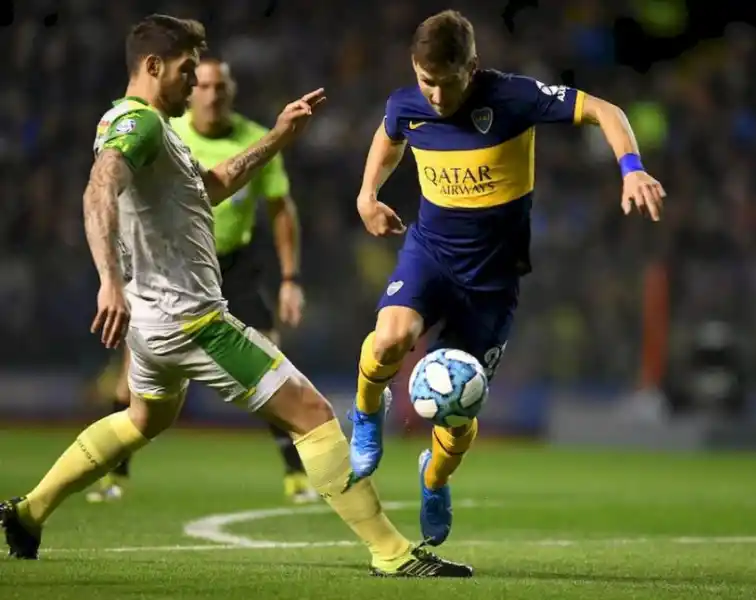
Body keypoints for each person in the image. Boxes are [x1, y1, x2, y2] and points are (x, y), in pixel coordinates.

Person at [1, 14, 472, 578]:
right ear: (152, 67)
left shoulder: (142, 125)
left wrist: (276, 137)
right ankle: (392, 553)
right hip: (194, 321)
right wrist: (106, 277)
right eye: (186, 69)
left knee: (141, 420)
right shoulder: (141, 127)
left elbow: (210, 187)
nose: (194, 81)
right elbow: (100, 185)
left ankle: (28, 512)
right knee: (313, 414)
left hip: (151, 324)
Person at [348, 9, 666, 547]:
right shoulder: (407, 104)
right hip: (431, 253)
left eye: (447, 84)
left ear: (471, 67)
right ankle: (365, 411)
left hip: (492, 280)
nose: (437, 97)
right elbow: (390, 136)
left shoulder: (514, 98)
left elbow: (605, 110)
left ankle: (432, 479)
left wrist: (631, 167)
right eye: (427, 82)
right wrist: (367, 196)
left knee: (456, 418)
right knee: (391, 338)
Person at [86, 56, 316, 505]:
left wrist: (291, 277)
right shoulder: (168, 134)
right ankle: (115, 476)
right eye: (202, 85)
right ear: (191, 92)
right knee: (132, 379)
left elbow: (280, 209)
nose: (210, 94)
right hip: (170, 271)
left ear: (230, 92)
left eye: (219, 87)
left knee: (270, 355)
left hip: (233, 263)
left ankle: (296, 474)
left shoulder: (251, 136)